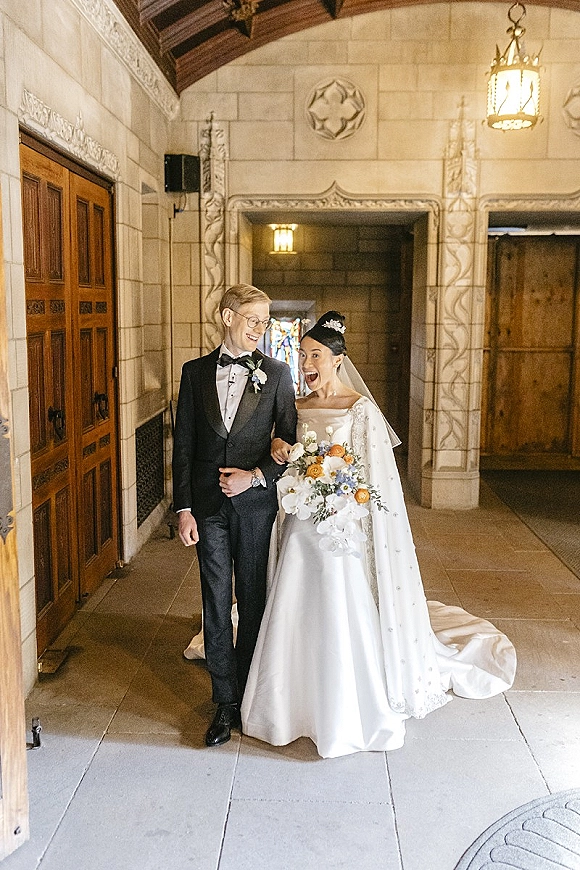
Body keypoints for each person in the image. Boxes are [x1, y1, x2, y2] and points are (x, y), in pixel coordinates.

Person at [241, 311, 516, 758]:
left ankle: (345, 701)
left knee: (337, 596)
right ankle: (285, 700)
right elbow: (287, 451)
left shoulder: (359, 409)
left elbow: (374, 477)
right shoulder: (298, 405)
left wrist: (345, 505)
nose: (307, 362)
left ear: (336, 359)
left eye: (316, 355)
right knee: (292, 596)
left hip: (340, 523)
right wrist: (279, 449)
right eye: (303, 354)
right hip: (299, 519)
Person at [172, 284, 297, 747]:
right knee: (215, 603)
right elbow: (184, 446)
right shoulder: (194, 373)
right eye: (252, 319)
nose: (260, 330)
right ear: (227, 317)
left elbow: (288, 442)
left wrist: (255, 476)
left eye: (266, 321)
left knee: (253, 598)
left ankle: (250, 694)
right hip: (206, 510)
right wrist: (183, 509)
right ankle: (224, 702)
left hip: (254, 507)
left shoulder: (278, 373)